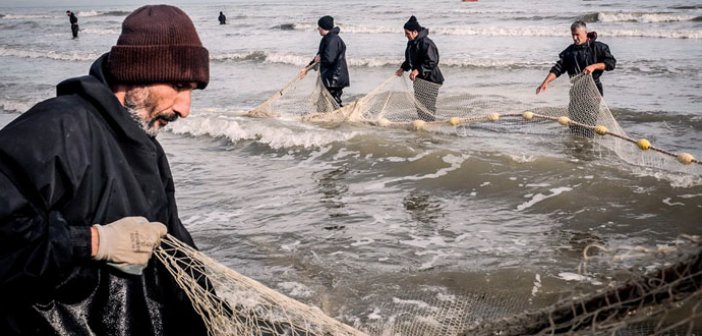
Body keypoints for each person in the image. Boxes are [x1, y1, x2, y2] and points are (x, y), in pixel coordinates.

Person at [0, 5, 210, 335]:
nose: (185, 108)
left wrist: (211, 313)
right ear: (136, 72)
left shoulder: (150, 149)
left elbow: (178, 251)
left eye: (193, 91)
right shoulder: (55, 130)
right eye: (179, 85)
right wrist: (94, 242)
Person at [536, 20, 616, 138]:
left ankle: (587, 148)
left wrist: (594, 66)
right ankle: (576, 149)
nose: (574, 37)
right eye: (572, 34)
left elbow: (611, 63)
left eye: (577, 34)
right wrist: (545, 82)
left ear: (585, 33)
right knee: (574, 124)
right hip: (576, 91)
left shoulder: (598, 47)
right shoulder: (569, 52)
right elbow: (558, 68)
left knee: (588, 123)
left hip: (593, 91)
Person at [395, 15, 444, 122]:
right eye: (405, 33)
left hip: (431, 80)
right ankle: (424, 128)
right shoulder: (411, 43)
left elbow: (432, 61)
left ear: (415, 32)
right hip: (419, 80)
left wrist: (418, 70)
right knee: (419, 105)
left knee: (427, 106)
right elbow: (410, 60)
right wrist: (402, 68)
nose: (405, 36)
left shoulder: (426, 43)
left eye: (407, 33)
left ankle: (431, 128)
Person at [299, 15, 349, 109]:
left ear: (323, 28)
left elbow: (329, 59)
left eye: (319, 27)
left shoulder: (332, 40)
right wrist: (306, 68)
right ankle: (336, 119)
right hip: (332, 77)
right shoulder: (328, 38)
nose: (318, 29)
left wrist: (320, 59)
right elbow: (319, 57)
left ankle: (340, 117)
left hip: (334, 78)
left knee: (334, 102)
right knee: (333, 101)